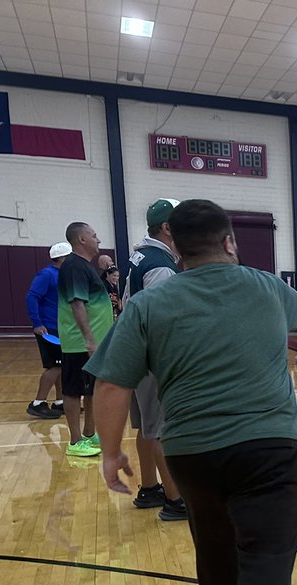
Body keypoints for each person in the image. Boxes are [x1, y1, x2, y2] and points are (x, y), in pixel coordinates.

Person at [86, 199, 297, 585]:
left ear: (176, 248)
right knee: (267, 555)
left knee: (213, 541)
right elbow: (292, 318)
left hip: (190, 452)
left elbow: (113, 383)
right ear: (230, 241)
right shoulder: (271, 290)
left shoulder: (148, 303)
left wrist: (112, 453)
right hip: (269, 446)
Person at [122, 198, 187, 521]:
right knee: (163, 429)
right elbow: (162, 321)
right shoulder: (161, 265)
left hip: (135, 353)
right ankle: (176, 501)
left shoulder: (141, 256)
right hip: (153, 358)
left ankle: (150, 488)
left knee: (148, 427)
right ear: (167, 228)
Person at [57, 221, 114, 457]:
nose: (98, 240)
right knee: (73, 390)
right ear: (81, 239)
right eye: (94, 235)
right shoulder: (74, 266)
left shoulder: (85, 266)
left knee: (91, 389)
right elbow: (77, 304)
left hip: (93, 344)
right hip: (79, 344)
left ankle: (89, 434)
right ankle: (74, 441)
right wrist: (89, 339)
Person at [24, 241, 70, 419]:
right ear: (63, 258)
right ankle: (38, 403)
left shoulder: (60, 275)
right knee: (55, 366)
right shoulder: (47, 275)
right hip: (48, 328)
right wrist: (37, 323)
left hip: (59, 327)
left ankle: (60, 402)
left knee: (61, 365)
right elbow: (32, 296)